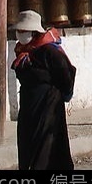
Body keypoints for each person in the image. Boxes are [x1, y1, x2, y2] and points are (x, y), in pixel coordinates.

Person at [11, 9, 77, 171]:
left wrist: (64, 95)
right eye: (19, 31)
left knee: (47, 146)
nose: (20, 34)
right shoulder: (23, 50)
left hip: (48, 105)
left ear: (34, 32)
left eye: (24, 31)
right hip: (29, 106)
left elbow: (67, 72)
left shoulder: (49, 50)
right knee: (27, 142)